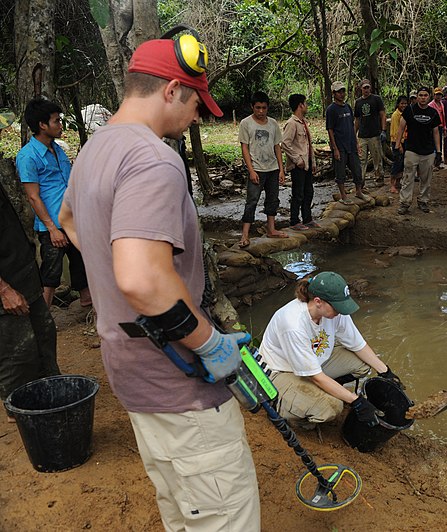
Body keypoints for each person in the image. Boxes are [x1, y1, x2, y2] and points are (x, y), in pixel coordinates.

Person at [59, 34, 261, 530]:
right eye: (196, 103)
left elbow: (67, 221)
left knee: (183, 512)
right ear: (171, 90)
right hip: (181, 386)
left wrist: (113, 273)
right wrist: (210, 342)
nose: (199, 117)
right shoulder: (152, 158)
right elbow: (144, 280)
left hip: (135, 381)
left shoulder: (93, 150)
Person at [256, 272, 403, 428]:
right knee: (331, 407)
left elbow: (357, 344)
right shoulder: (293, 324)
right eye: (337, 307)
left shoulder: (334, 312)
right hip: (282, 371)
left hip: (313, 362)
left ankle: (324, 391)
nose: (341, 311)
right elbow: (315, 376)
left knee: (362, 364)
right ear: (318, 302)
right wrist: (356, 401)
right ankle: (293, 415)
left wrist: (385, 371)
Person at [17, 97, 91, 308]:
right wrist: (52, 229)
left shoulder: (57, 149)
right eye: (56, 121)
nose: (60, 125)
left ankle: (87, 303)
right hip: (53, 226)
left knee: (81, 264)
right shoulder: (28, 156)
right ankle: (44, 318)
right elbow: (33, 196)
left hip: (72, 220)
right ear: (42, 125)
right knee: (51, 274)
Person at [0, 180, 59, 422]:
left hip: (23, 271)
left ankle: (54, 394)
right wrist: (3, 290)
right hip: (6, 287)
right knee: (18, 353)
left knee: (45, 333)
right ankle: (21, 412)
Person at [238, 91, 286, 246]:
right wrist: (251, 170)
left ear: (267, 108)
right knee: (252, 201)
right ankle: (245, 235)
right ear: (252, 107)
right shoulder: (246, 123)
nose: (260, 111)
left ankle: (271, 229)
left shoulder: (273, 124)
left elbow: (277, 146)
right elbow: (244, 148)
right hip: (257, 168)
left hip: (272, 168)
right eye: (257, 108)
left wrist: (281, 169)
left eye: (263, 108)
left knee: (273, 199)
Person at [394, 86, 441, 215]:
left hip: (428, 151)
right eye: (420, 95)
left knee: (426, 179)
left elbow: (436, 132)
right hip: (412, 150)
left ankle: (423, 201)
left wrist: (439, 151)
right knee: (408, 177)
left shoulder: (433, 113)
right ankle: (405, 203)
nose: (423, 98)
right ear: (417, 97)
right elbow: (401, 127)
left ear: (429, 97)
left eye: (425, 95)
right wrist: (397, 146)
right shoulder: (409, 110)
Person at [282, 93, 318, 230]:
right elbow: (285, 143)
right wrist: (297, 159)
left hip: (307, 163)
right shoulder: (291, 123)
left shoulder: (303, 122)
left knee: (309, 191)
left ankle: (307, 218)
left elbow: (308, 144)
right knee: (298, 193)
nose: (306, 106)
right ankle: (294, 221)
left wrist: (313, 163)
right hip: (298, 165)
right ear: (300, 105)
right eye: (305, 103)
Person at [326, 81, 367, 204]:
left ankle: (359, 191)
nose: (342, 94)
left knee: (357, 170)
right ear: (334, 93)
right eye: (339, 92)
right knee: (340, 172)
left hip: (351, 144)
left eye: (343, 91)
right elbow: (330, 130)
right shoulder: (331, 110)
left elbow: (352, 126)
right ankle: (343, 196)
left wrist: (356, 143)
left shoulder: (348, 107)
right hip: (340, 146)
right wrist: (335, 148)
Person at [353, 79, 387, 187]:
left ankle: (379, 178)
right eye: (364, 88)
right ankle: (361, 181)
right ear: (361, 89)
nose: (366, 90)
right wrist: (354, 134)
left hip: (375, 134)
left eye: (368, 87)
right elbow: (357, 119)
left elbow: (382, 115)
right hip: (362, 135)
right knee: (362, 159)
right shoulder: (358, 102)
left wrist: (383, 130)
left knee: (377, 157)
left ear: (370, 88)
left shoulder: (376, 99)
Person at [389, 95, 408, 194]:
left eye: (405, 103)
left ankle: (398, 182)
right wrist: (398, 144)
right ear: (398, 104)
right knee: (397, 163)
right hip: (397, 142)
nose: (404, 105)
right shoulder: (396, 115)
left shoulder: (406, 114)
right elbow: (396, 131)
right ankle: (392, 185)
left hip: (404, 140)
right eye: (402, 103)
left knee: (402, 164)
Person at [429, 88, 446, 168]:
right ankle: (433, 164)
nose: (438, 96)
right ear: (434, 95)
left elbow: (443, 117)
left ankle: (438, 163)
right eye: (437, 95)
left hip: (441, 126)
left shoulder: (442, 104)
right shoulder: (430, 105)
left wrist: (444, 128)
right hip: (433, 127)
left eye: (440, 95)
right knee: (434, 145)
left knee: (439, 145)